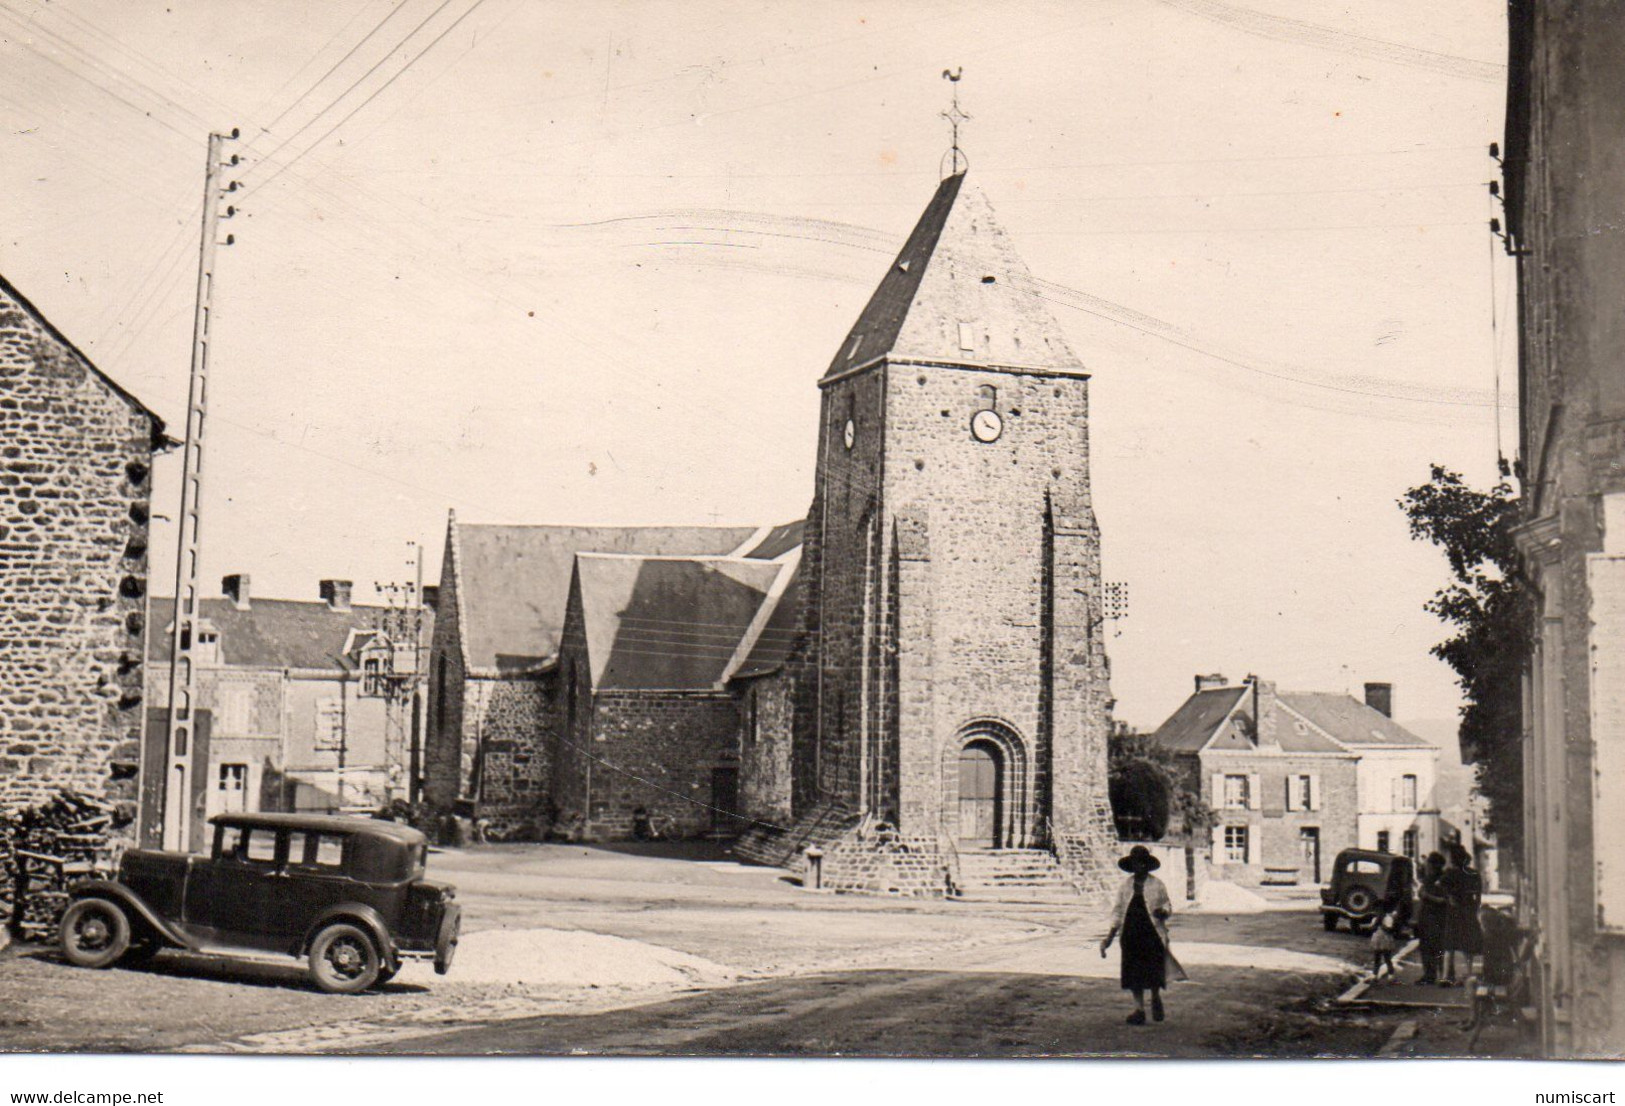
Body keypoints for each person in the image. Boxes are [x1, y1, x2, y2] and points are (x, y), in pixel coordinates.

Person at [1100, 845, 1187, 1025]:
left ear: (1147, 865)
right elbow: (1117, 911)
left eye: (1142, 863)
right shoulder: (1125, 886)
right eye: (1136, 863)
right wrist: (1109, 937)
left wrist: (1163, 912)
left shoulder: (1157, 885)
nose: (1139, 866)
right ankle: (1138, 1009)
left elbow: (1167, 905)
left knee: (1153, 969)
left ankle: (1155, 997)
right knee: (1133, 972)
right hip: (1131, 933)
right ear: (1132, 865)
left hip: (1152, 933)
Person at [1440, 842, 1483, 986]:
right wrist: (1475, 908)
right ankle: (1469, 974)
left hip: (1453, 911)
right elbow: (1478, 894)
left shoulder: (1449, 873)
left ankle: (1446, 977)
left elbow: (1440, 886)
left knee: (1450, 945)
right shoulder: (1473, 874)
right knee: (1467, 944)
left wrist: (1450, 896)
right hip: (1468, 910)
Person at [1415, 852, 1448, 985]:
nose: (1426, 865)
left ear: (1435, 865)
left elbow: (1445, 900)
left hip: (1437, 917)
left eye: (1429, 863)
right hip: (1426, 916)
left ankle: (1441, 975)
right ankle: (1429, 974)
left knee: (1437, 946)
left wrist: (1427, 896)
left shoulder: (1443, 879)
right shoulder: (1428, 878)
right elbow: (1422, 892)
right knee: (1425, 946)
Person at [1370, 898, 1401, 982]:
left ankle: (1391, 974)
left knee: (1387, 958)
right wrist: (1376, 923)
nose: (1378, 911)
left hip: (1385, 939)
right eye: (1377, 910)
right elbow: (1372, 928)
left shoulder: (1388, 918)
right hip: (1377, 939)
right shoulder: (1374, 919)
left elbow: (1389, 929)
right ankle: (1374, 975)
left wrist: (1381, 923)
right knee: (1377, 958)